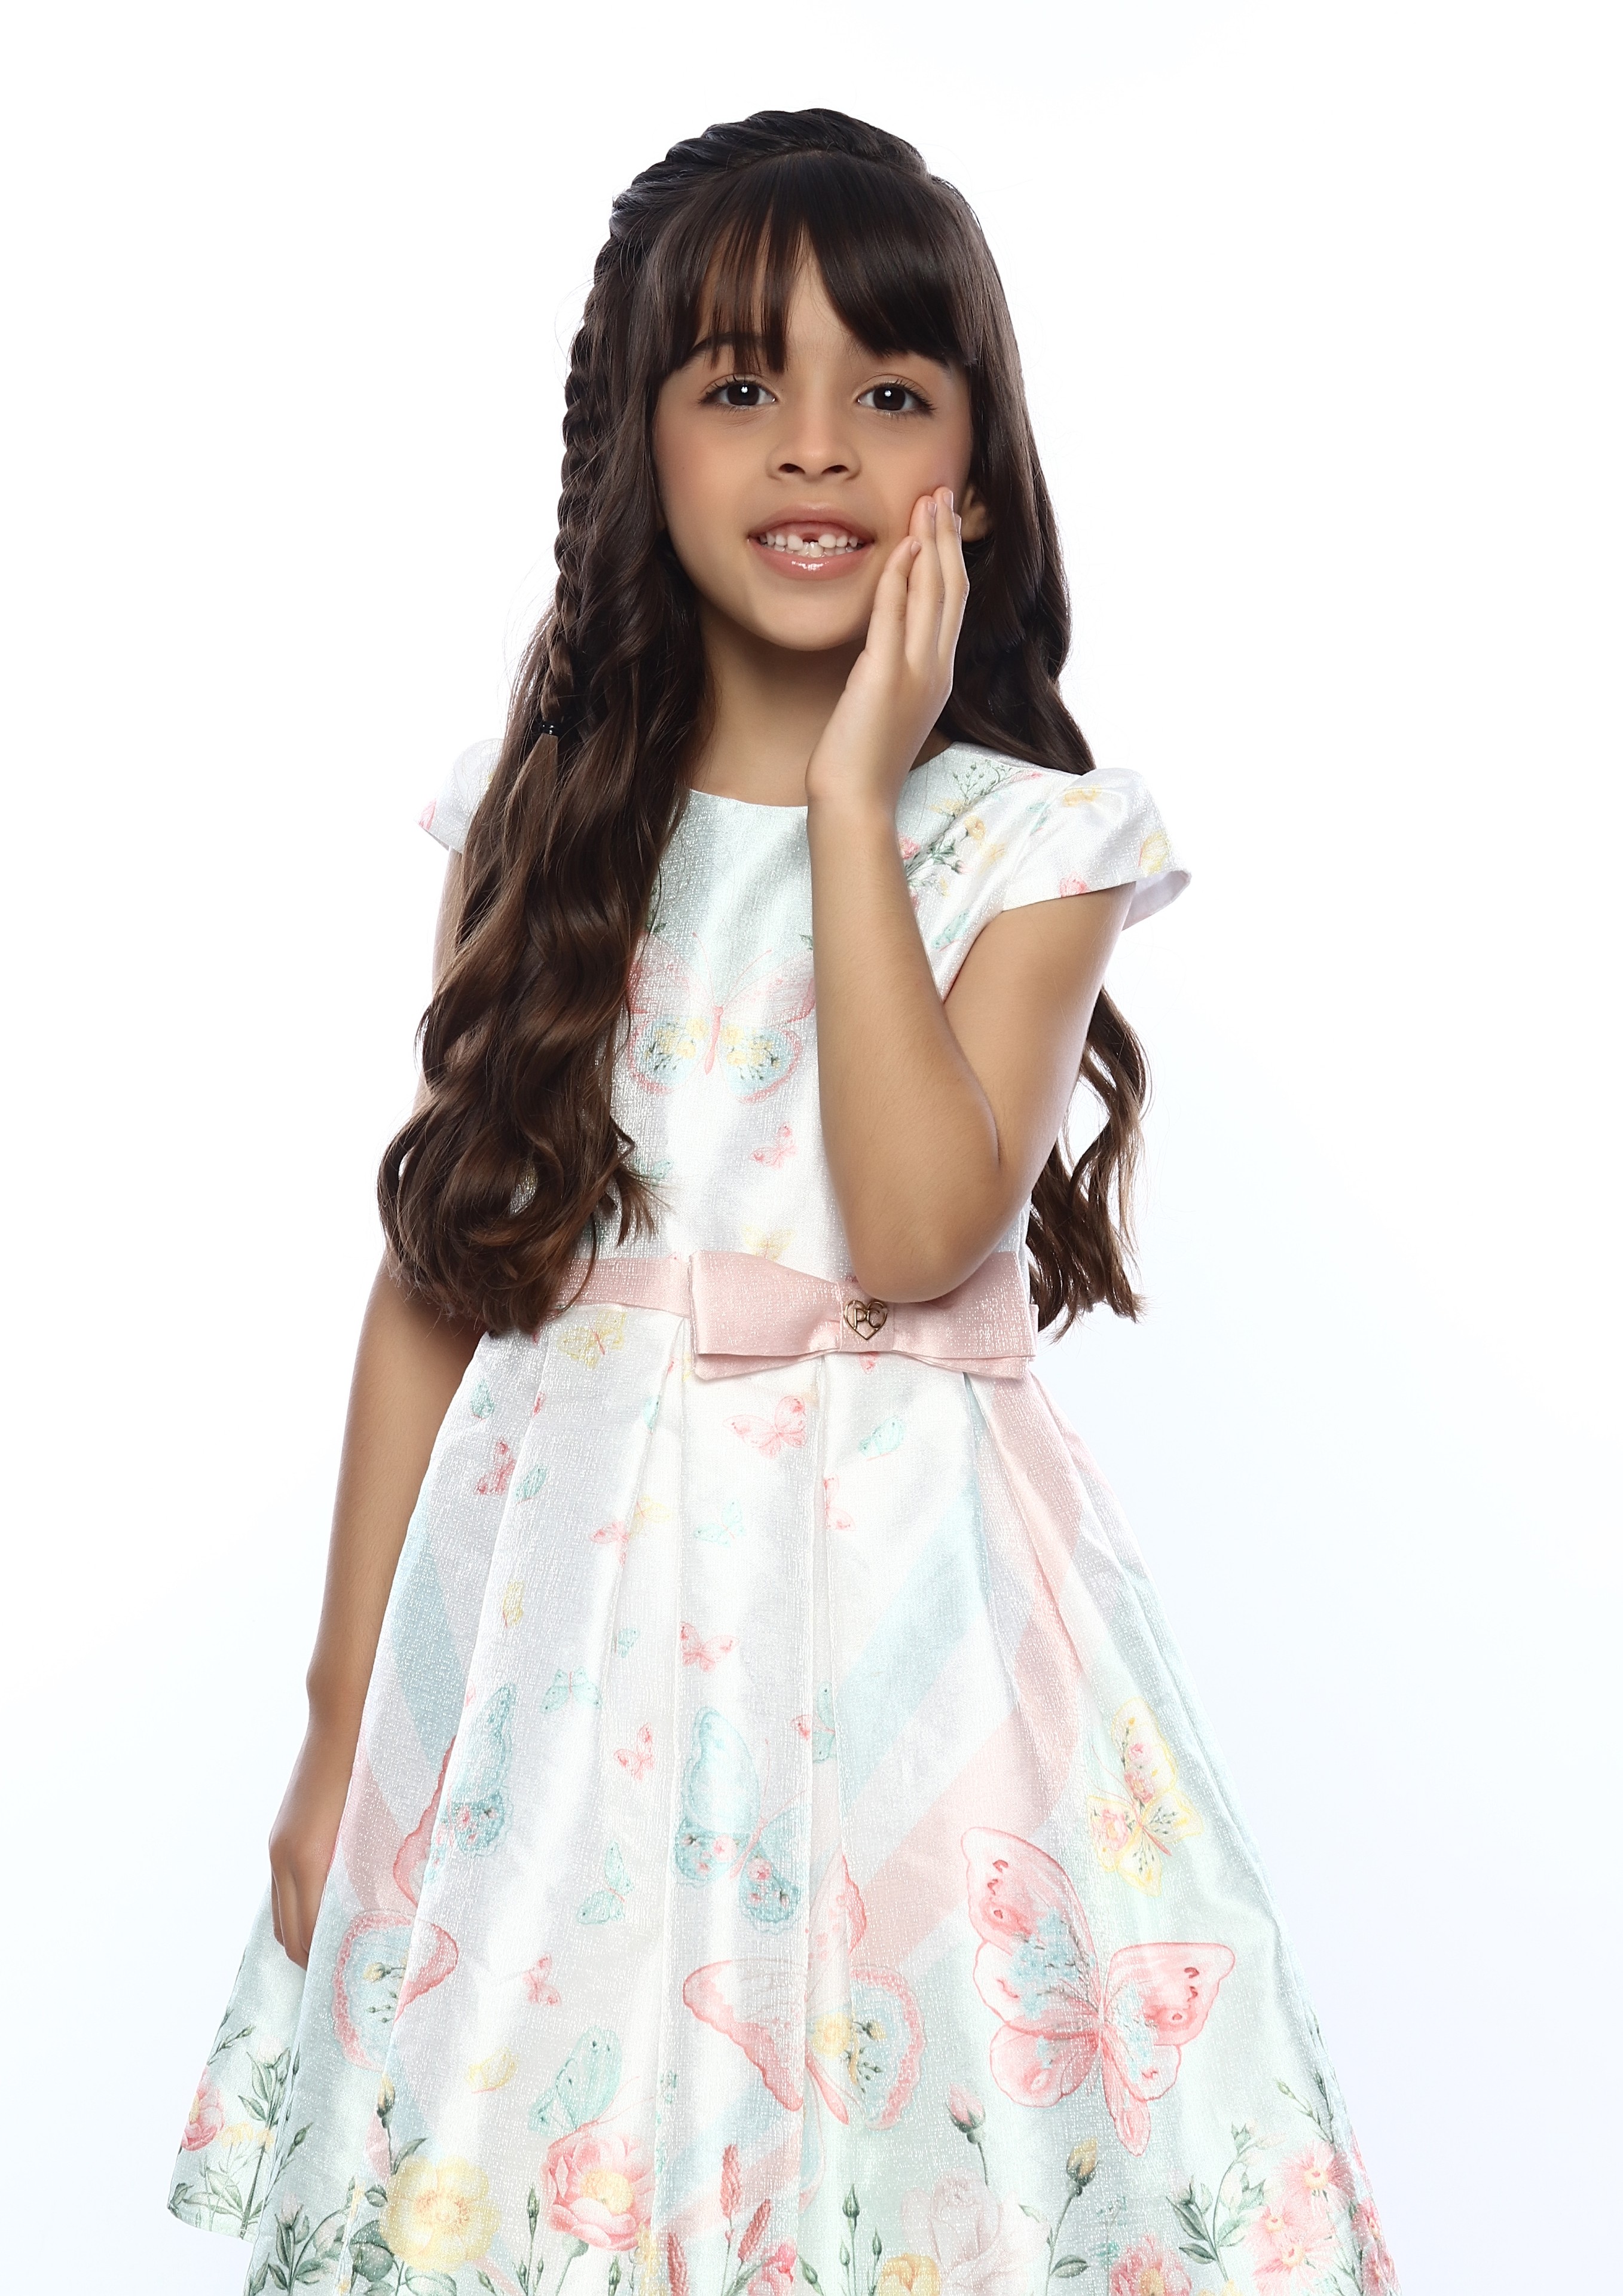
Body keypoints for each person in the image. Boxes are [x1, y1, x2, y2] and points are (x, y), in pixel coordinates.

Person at [170, 108, 1399, 2296]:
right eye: (741, 385)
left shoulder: (1030, 843)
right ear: (638, 445)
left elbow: (918, 1230)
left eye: (889, 393)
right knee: (549, 2147)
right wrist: (343, 1718)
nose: (815, 444)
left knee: (923, 2160)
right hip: (571, 1649)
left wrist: (854, 791)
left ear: (973, 472)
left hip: (913, 1644)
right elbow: (443, 1278)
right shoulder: (540, 817)